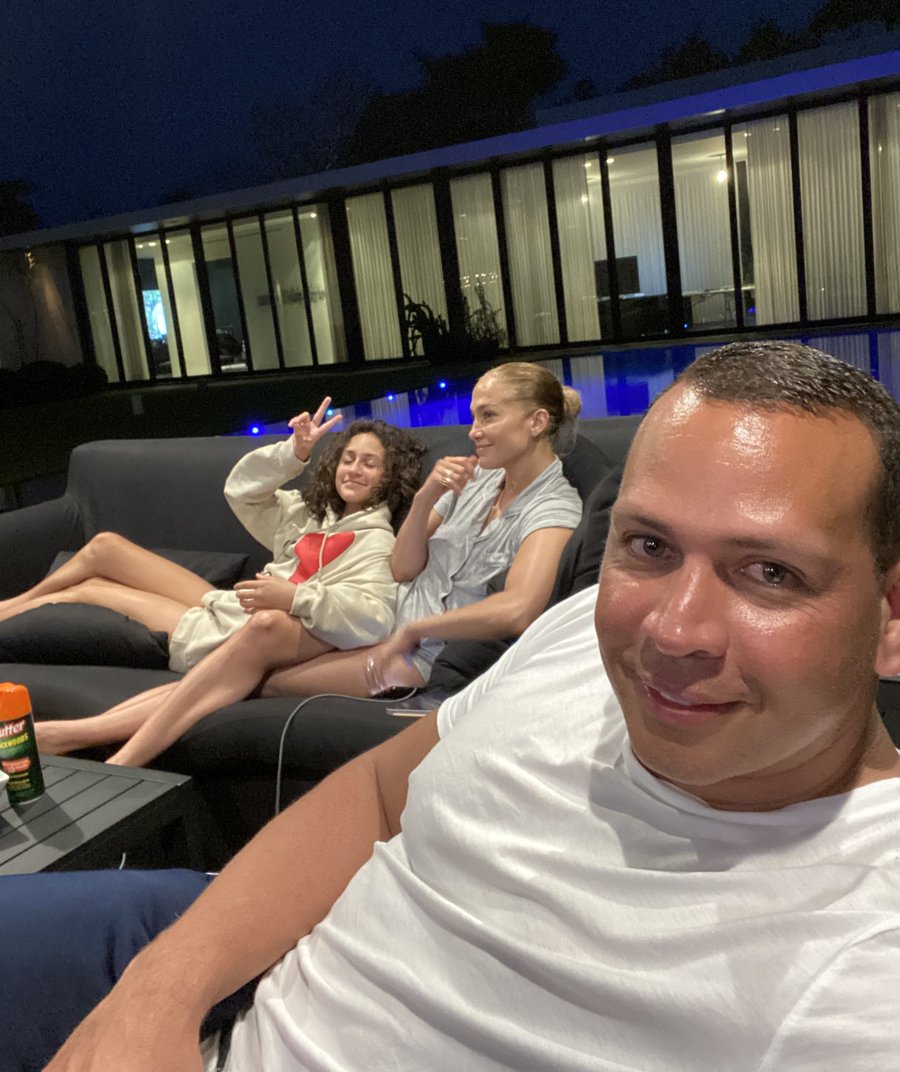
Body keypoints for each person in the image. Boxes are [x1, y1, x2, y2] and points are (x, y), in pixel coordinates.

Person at [14, 338, 900, 1072]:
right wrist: (161, 989)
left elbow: (487, 606)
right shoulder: (573, 628)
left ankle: (96, 745)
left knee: (249, 644)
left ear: (890, 617)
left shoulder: (859, 974)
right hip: (244, 942)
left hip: (393, 651)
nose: (673, 631)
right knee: (175, 606)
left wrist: (409, 627)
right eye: (649, 546)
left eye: (770, 572)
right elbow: (377, 793)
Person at [36, 361, 583, 767]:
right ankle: (88, 744)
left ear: (537, 422)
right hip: (379, 618)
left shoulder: (554, 506)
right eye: (473, 416)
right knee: (247, 655)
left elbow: (518, 609)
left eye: (488, 416)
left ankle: (98, 750)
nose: (473, 430)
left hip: (416, 653)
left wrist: (415, 629)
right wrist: (423, 501)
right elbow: (402, 568)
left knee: (255, 675)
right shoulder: (477, 478)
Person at [2, 400, 425, 687]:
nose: (354, 470)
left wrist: (296, 597)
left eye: (369, 464)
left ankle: (13, 614)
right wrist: (293, 453)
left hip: (227, 636)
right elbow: (241, 491)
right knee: (104, 547)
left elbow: (374, 619)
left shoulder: (376, 542)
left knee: (89, 592)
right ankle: (12, 605)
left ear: (389, 477)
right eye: (348, 459)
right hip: (229, 605)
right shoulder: (308, 513)